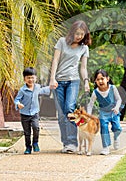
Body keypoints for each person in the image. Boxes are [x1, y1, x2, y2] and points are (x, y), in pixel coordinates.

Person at [49, 20, 91, 153]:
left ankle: (72, 142)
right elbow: (55, 60)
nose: (79, 36)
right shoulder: (62, 42)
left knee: (70, 109)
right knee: (61, 114)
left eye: (82, 34)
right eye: (77, 33)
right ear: (72, 32)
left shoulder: (84, 48)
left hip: (73, 81)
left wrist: (86, 81)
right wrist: (52, 78)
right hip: (58, 81)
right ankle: (66, 143)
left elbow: (83, 68)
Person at [14, 67, 50, 154]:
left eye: (32, 77)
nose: (30, 79)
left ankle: (35, 142)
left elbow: (44, 90)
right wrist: (18, 104)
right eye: (28, 77)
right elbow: (16, 100)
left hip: (34, 113)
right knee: (27, 132)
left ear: (35, 78)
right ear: (24, 79)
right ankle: (28, 147)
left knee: (36, 127)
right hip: (24, 114)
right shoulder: (22, 90)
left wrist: (52, 86)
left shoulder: (37, 87)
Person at [87, 69, 123, 155]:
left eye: (102, 78)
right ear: (95, 81)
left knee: (117, 128)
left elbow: (119, 99)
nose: (100, 81)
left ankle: (116, 137)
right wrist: (88, 116)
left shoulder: (112, 88)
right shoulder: (95, 92)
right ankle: (105, 147)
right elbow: (90, 104)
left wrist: (117, 108)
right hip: (103, 112)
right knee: (104, 128)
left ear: (107, 79)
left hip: (114, 111)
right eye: (98, 79)